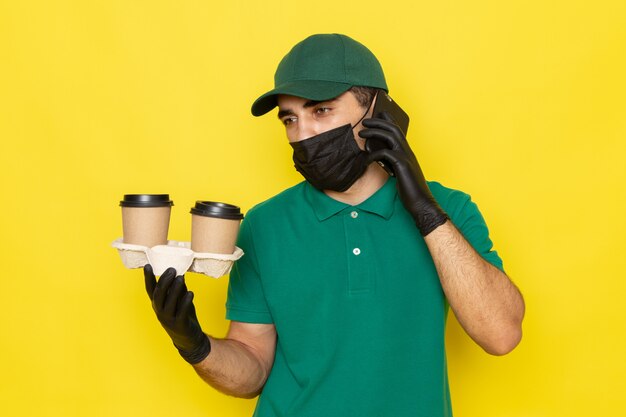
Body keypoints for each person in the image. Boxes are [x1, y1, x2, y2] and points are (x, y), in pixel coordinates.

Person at [143, 33, 525, 416]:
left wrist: (425, 210)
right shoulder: (264, 224)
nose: (302, 134)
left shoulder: (450, 209)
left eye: (321, 110)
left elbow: (501, 334)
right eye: (290, 118)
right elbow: (253, 368)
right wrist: (194, 344)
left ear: (376, 111)